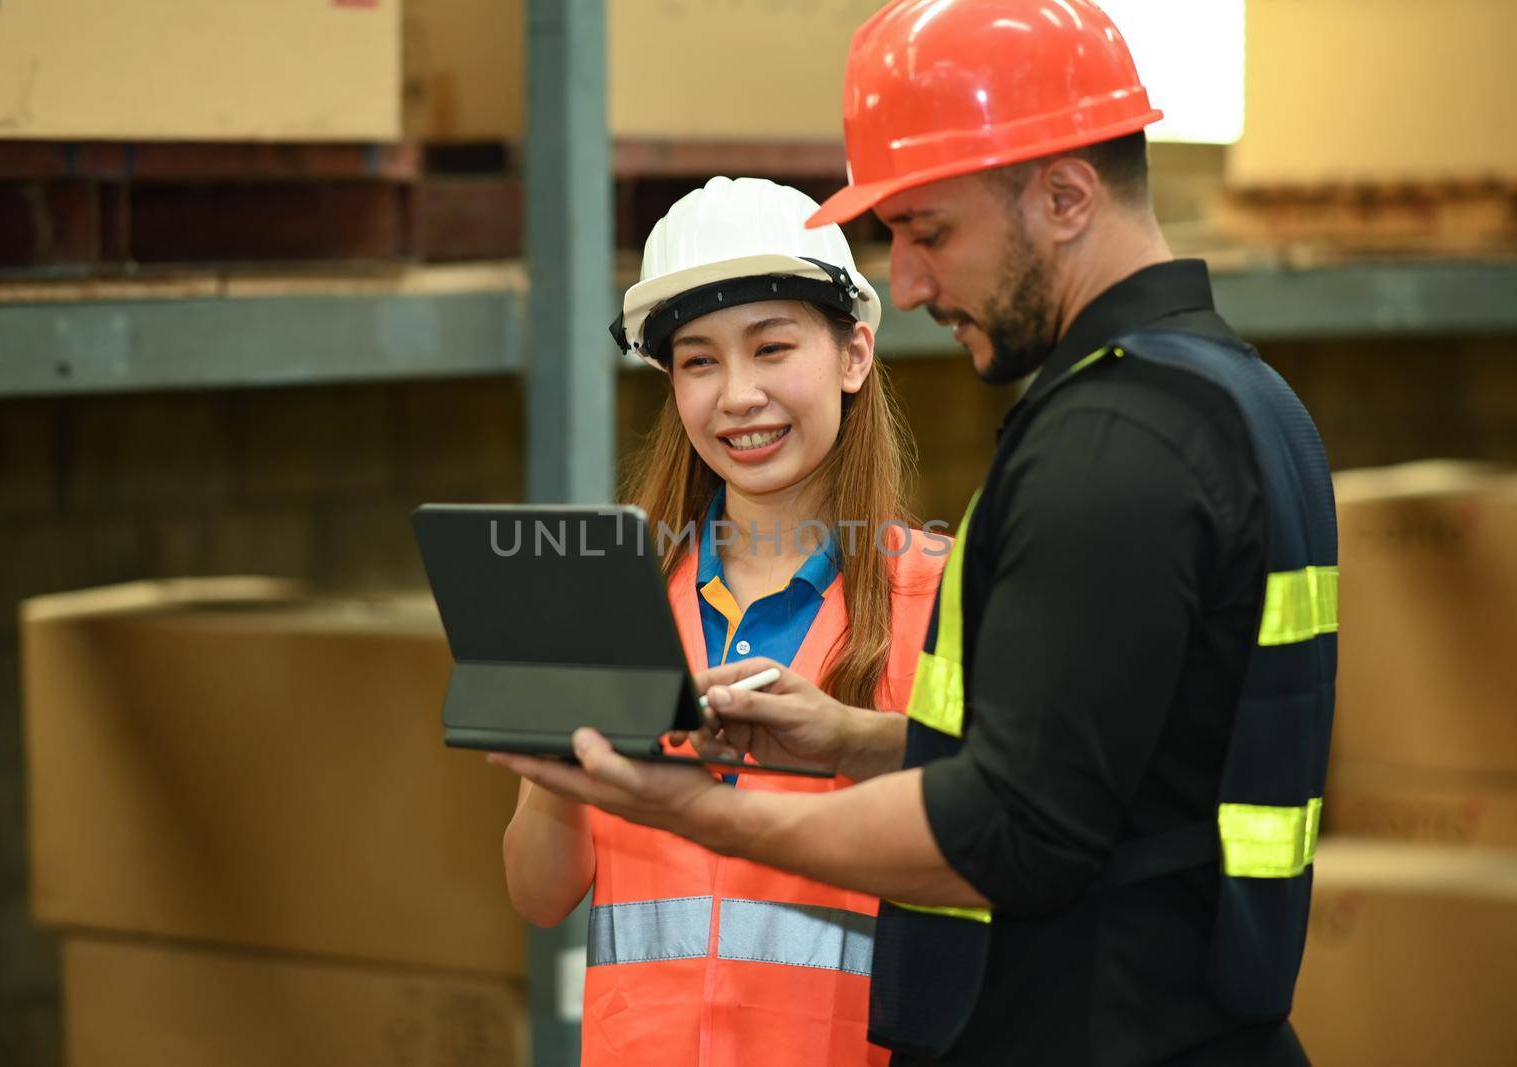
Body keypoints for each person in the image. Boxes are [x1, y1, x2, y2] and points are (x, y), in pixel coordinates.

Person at [493, 2, 1339, 1065]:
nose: (914, 279)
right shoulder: (1236, 401)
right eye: (697, 361)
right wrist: (847, 742)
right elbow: (1086, 759)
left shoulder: (1111, 448)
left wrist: (693, 805)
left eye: (929, 231)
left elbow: (1008, 823)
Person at [500, 175, 949, 1066]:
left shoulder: (937, 598)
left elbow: (995, 857)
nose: (737, 395)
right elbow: (540, 894)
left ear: (855, 353)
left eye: (772, 347)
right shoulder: (613, 601)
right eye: (699, 361)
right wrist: (554, 761)